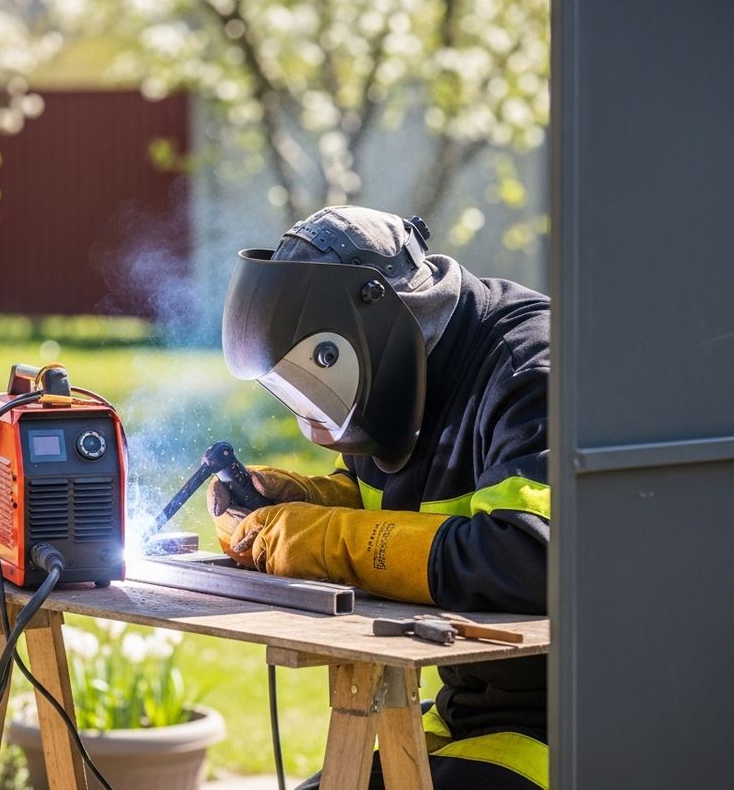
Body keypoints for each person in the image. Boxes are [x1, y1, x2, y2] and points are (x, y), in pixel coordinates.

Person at [207, 205, 549, 789]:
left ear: (376, 331)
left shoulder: (530, 369)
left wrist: (320, 538)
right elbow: (397, 506)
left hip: (582, 722)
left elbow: (529, 558)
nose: (307, 417)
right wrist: (305, 500)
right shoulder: (396, 379)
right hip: (473, 709)